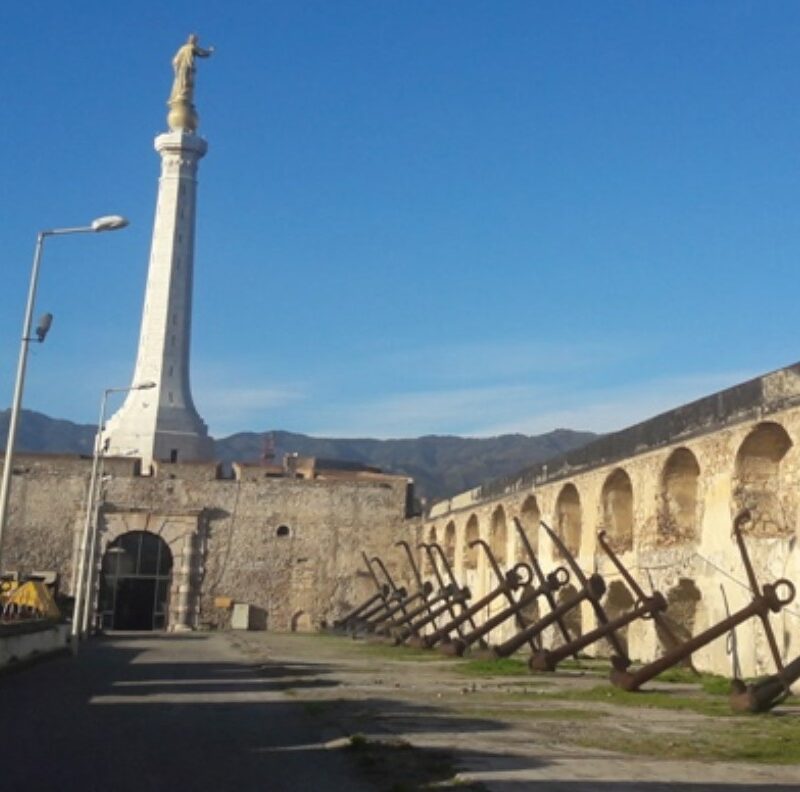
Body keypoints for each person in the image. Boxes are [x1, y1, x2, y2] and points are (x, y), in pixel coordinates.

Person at [169, 34, 214, 106]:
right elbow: (202, 52)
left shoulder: (183, 48)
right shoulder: (190, 47)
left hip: (185, 68)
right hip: (186, 67)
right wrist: (210, 51)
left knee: (183, 82)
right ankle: (182, 95)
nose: (194, 41)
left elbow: (175, 60)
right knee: (185, 82)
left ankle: (182, 95)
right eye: (193, 39)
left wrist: (176, 67)